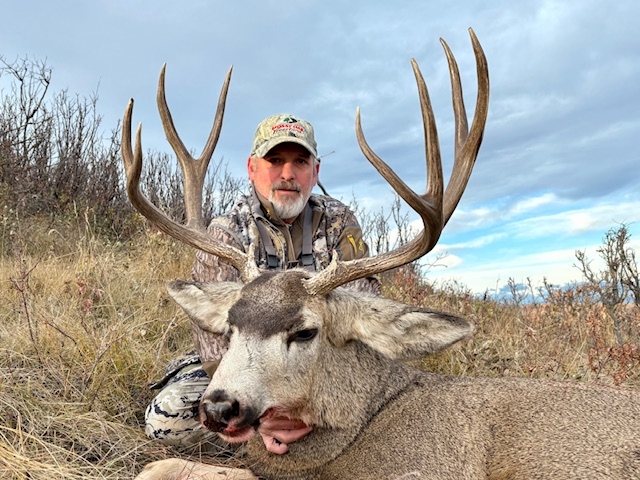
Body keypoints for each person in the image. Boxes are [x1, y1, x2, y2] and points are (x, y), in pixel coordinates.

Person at [144, 113, 380, 452]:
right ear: (252, 167)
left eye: (300, 162)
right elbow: (211, 338)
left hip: (319, 364)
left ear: (315, 172)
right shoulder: (226, 233)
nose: (288, 174)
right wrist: (265, 414)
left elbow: (361, 308)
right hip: (241, 361)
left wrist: (306, 398)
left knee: (380, 412)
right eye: (275, 160)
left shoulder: (339, 223)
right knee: (168, 421)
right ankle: (271, 437)